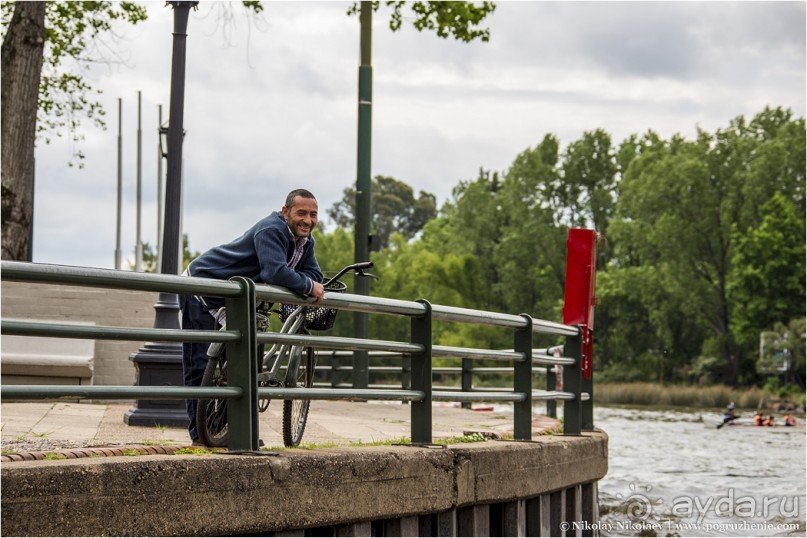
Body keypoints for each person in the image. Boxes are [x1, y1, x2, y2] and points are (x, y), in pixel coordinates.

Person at [180, 188, 325, 445]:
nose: (307, 220)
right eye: (301, 213)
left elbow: (314, 273)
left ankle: (234, 433)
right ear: (285, 212)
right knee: (201, 363)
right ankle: (201, 436)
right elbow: (274, 272)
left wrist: (308, 282)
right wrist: (306, 286)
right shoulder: (272, 230)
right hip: (204, 287)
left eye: (313, 215)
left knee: (242, 366)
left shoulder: (305, 241)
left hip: (237, 300)